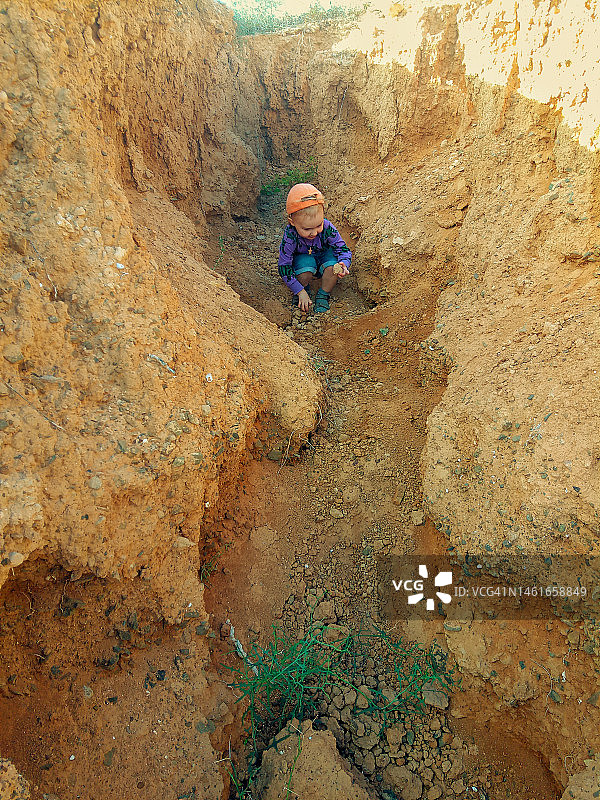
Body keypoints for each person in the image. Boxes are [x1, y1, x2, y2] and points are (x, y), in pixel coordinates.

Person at [278, 183, 351, 313]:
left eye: (319, 225)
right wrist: (299, 291)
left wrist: (344, 264)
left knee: (333, 267)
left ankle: (323, 294)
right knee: (305, 268)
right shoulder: (290, 235)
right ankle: (304, 289)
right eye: (307, 229)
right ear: (292, 222)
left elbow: (343, 249)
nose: (314, 233)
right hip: (304, 259)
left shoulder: (327, 227)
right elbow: (284, 266)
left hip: (324, 256)